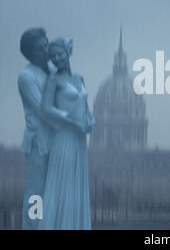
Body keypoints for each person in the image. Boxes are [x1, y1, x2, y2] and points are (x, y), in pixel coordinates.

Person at [38, 37, 95, 230]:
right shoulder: (52, 79)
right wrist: (72, 121)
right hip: (63, 137)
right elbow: (46, 108)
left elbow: (84, 107)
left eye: (60, 54)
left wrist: (89, 119)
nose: (57, 59)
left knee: (76, 186)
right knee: (62, 186)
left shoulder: (79, 79)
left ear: (68, 53)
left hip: (79, 138)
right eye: (53, 57)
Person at [18, 28, 68, 230]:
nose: (47, 50)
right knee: (36, 195)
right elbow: (44, 111)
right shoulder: (26, 76)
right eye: (41, 48)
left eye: (47, 44)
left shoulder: (55, 72)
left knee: (56, 195)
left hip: (57, 142)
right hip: (39, 144)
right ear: (31, 53)